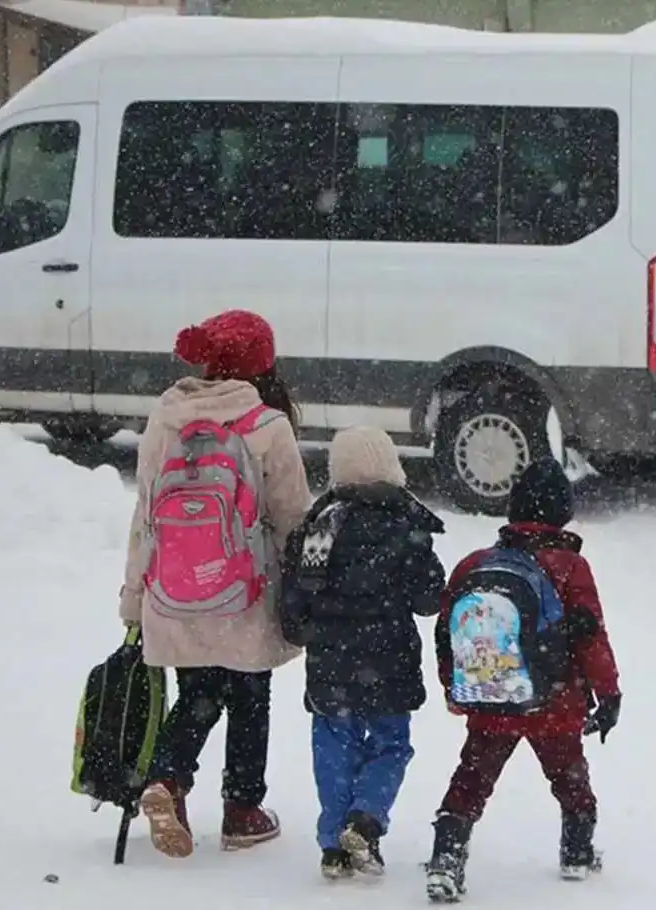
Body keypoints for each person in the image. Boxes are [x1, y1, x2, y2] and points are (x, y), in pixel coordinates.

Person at [119, 309, 312, 858]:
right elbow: (293, 517)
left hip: (174, 583)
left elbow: (144, 512)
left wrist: (134, 594)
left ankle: (169, 781)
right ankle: (243, 809)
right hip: (243, 588)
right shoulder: (267, 425)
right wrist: (301, 593)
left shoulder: (166, 416)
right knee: (250, 693)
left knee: (199, 690)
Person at [426, 458, 621, 902]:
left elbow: (449, 634)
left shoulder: (476, 564)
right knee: (569, 775)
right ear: (562, 512)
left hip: (492, 696)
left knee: (472, 777)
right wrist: (608, 694)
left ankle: (447, 857)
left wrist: (457, 689)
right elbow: (592, 637)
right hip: (555, 701)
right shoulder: (570, 566)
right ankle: (577, 850)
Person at [280, 426, 446, 880]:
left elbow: (295, 607)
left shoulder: (320, 529)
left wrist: (309, 628)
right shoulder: (406, 527)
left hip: (330, 665)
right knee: (391, 745)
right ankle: (366, 819)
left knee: (334, 746)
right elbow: (430, 600)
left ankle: (334, 844)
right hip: (389, 660)